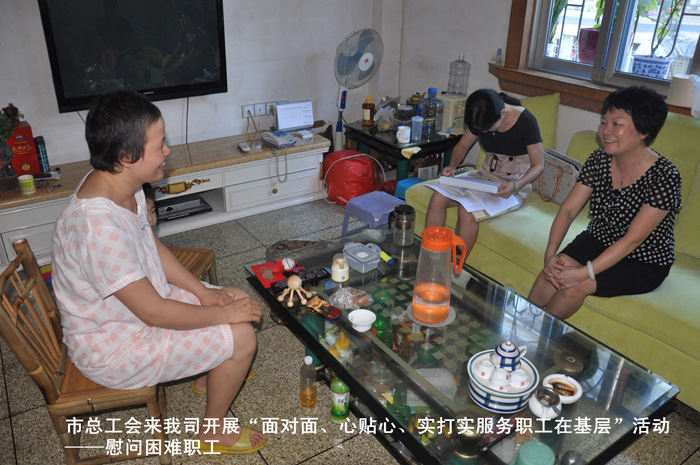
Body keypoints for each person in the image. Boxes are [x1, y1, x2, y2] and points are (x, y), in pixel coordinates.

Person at [51, 90, 267, 454]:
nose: (167, 150)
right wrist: (223, 314)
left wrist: (204, 293)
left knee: (235, 297)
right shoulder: (97, 228)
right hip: (115, 346)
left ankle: (209, 373)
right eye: (159, 144)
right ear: (126, 156)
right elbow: (154, 313)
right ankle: (213, 430)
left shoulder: (120, 183)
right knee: (242, 334)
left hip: (135, 311)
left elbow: (150, 245)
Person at [528, 86, 682, 319]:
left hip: (643, 258)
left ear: (644, 131)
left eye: (616, 124)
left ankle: (541, 336)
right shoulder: (599, 159)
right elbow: (569, 210)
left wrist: (583, 273)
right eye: (603, 122)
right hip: (599, 239)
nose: (605, 131)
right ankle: (519, 327)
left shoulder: (665, 176)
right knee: (554, 272)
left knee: (576, 286)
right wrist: (550, 254)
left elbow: (632, 240)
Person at [425, 89, 545, 258]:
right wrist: (452, 165)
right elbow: (463, 146)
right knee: (438, 197)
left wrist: (516, 185)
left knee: (467, 210)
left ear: (502, 113)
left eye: (487, 128)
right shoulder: (481, 114)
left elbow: (538, 165)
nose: (484, 132)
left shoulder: (526, 121)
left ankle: (454, 266)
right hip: (483, 176)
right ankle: (431, 257)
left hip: (512, 184)